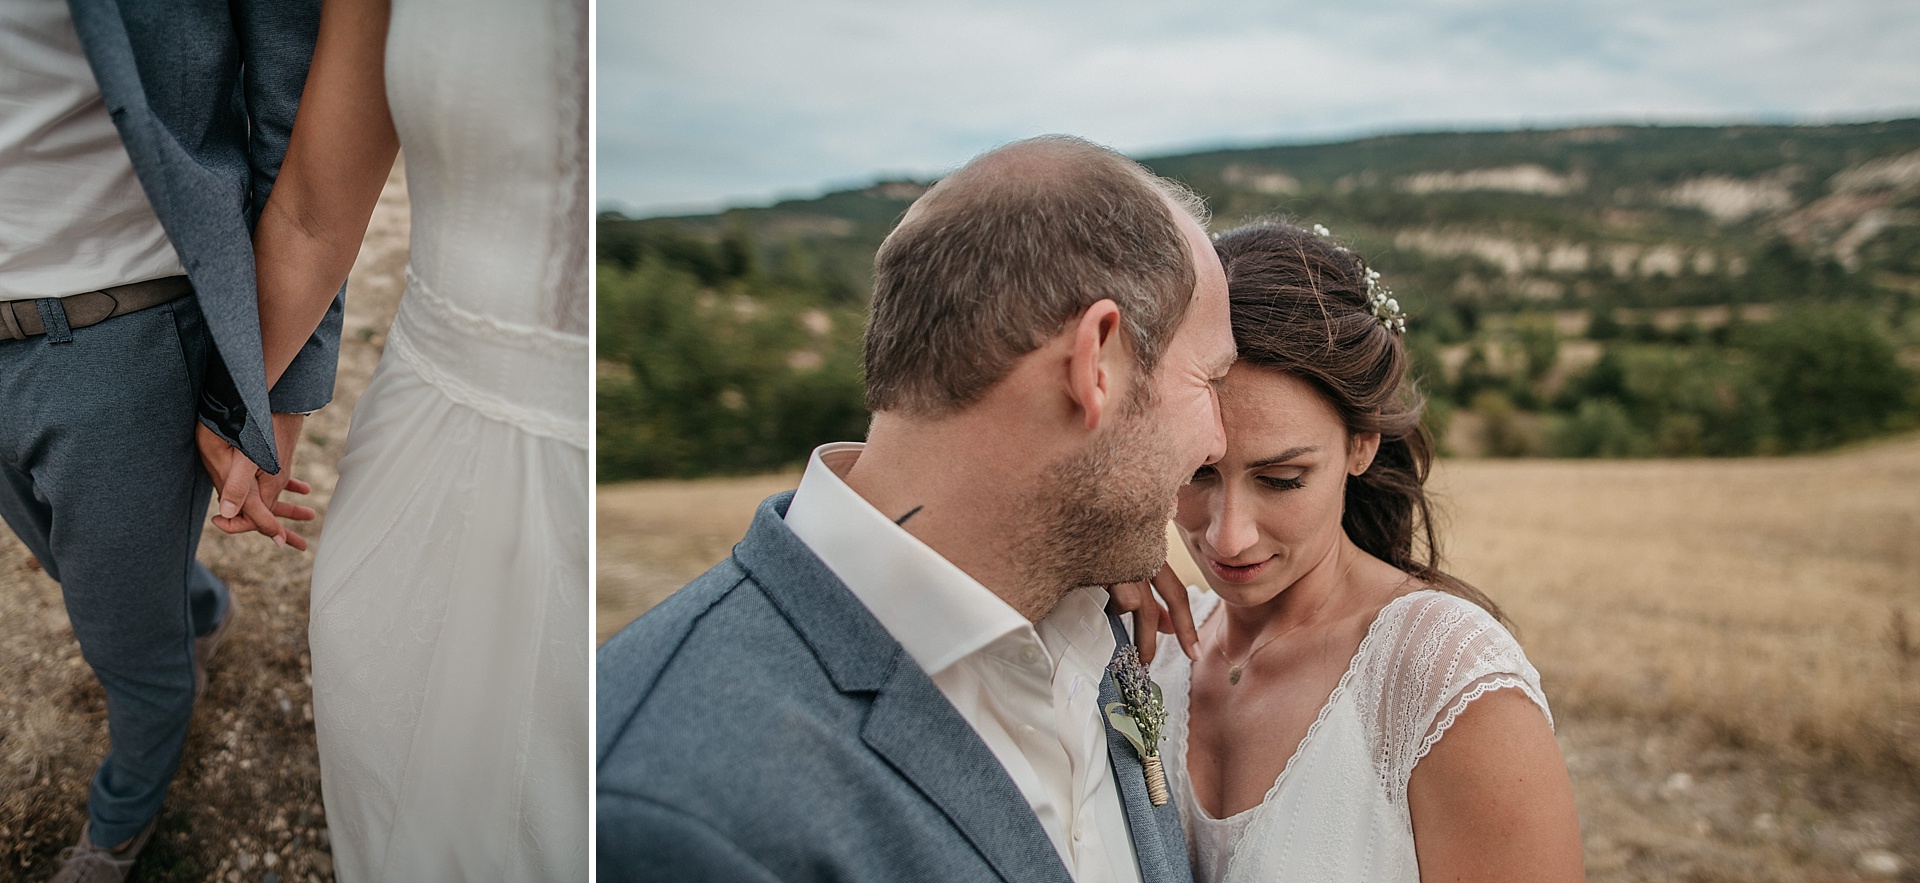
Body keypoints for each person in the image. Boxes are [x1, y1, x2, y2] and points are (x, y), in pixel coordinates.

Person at [597, 135, 1238, 882]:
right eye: (1210, 379)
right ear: (1096, 362)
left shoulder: (1096, 615)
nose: (1217, 439)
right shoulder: (667, 809)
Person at [191, 0, 590, 877]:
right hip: (422, 438)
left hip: (571, 479)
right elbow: (309, 215)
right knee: (384, 745)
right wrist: (246, 410)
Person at [1139, 221, 1584, 882]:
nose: (1227, 536)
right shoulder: (1151, 651)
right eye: (1196, 470)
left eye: (1283, 479)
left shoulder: (1448, 685)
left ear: (1361, 443)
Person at [1, 3, 330, 879]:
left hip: (119, 325)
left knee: (124, 646)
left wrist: (277, 391)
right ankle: (199, 608)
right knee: (79, 566)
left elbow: (303, 128)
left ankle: (118, 824)